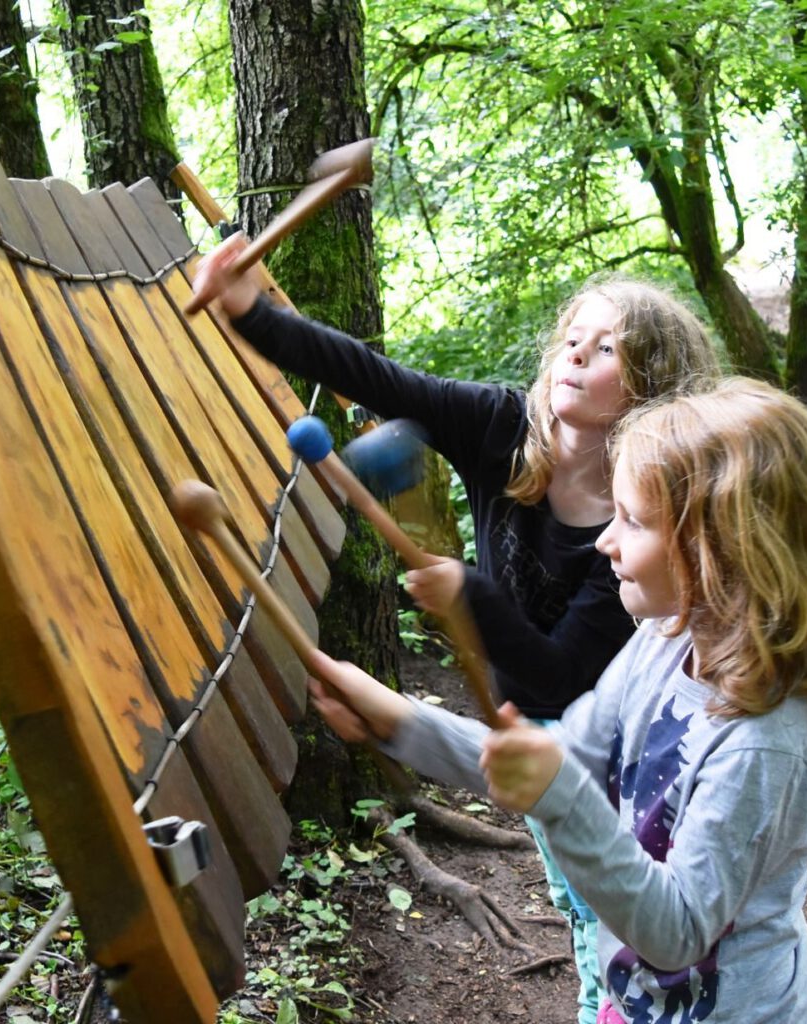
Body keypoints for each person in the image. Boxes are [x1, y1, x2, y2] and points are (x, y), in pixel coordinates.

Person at [191, 238, 720, 1023]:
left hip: (627, 724)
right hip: (539, 730)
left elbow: (555, 676)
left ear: (649, 383)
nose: (574, 352)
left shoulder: (644, 519)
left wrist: (468, 595)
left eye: (605, 347)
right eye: (571, 336)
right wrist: (251, 315)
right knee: (588, 911)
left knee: (634, 912)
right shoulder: (503, 424)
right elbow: (379, 379)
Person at [305, 377, 807, 1023]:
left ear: (723, 550)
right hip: (643, 999)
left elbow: (676, 932)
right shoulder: (660, 641)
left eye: (633, 522)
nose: (604, 542)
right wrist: (397, 719)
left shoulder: (766, 739)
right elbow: (561, 758)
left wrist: (560, 796)